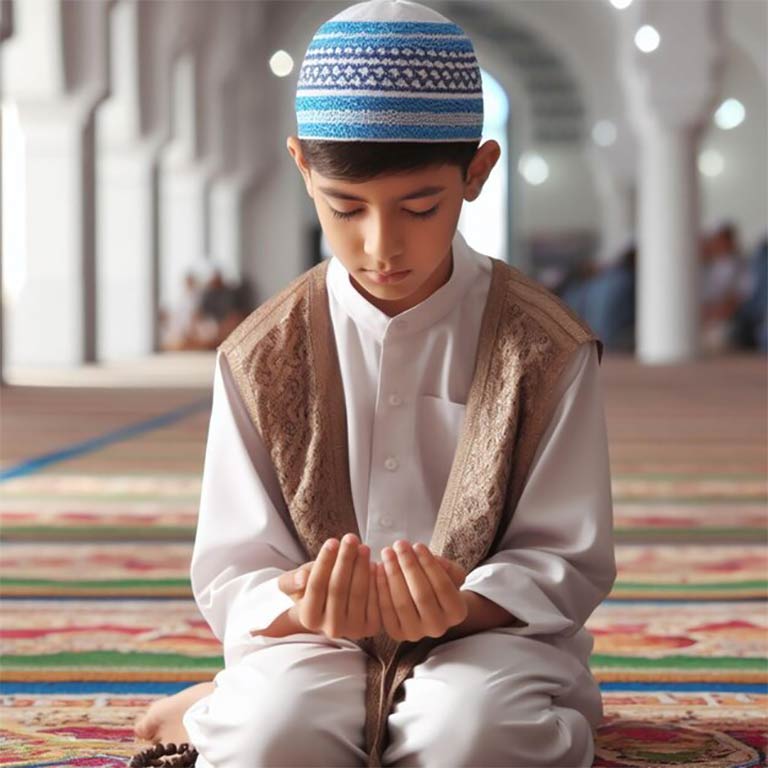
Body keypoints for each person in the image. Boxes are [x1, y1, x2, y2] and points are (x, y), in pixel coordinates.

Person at [132, 1, 616, 766]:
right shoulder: (259, 354)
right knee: (274, 739)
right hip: (313, 642)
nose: (381, 246)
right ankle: (228, 712)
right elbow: (234, 564)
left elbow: (562, 554)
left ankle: (214, 712)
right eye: (345, 208)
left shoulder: (545, 347)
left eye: (420, 207)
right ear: (302, 167)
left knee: (473, 738)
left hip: (489, 640)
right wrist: (301, 600)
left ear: (477, 172)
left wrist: (459, 604)